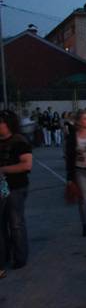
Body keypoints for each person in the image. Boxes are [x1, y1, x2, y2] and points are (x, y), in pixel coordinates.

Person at [0, 110, 33, 272]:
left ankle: (20, 257)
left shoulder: (20, 141)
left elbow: (27, 165)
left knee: (16, 223)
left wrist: (2, 169)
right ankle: (4, 256)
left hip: (16, 188)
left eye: (1, 122)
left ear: (8, 124)